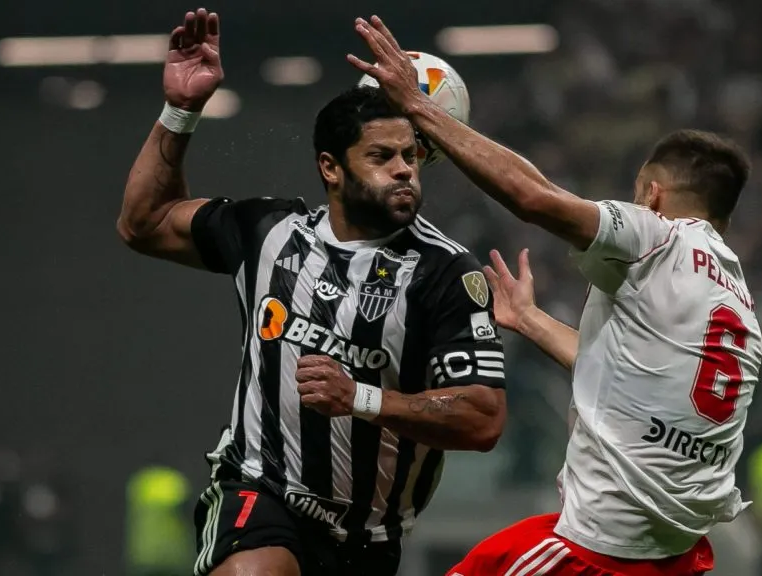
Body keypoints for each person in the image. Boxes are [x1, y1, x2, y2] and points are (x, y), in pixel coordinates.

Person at [348, 16, 762, 576]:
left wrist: (418, 108)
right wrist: (530, 318)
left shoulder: (655, 233)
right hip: (676, 553)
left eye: (636, 194)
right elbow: (632, 376)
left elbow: (533, 198)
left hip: (601, 550)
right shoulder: (735, 296)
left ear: (652, 193)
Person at [117, 9, 508, 576]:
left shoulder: (445, 272)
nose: (404, 170)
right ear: (331, 168)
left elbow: (482, 418)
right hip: (261, 492)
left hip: (369, 539)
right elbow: (144, 223)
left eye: (410, 156)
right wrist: (181, 111)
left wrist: (362, 398)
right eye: (381, 157)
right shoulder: (269, 233)